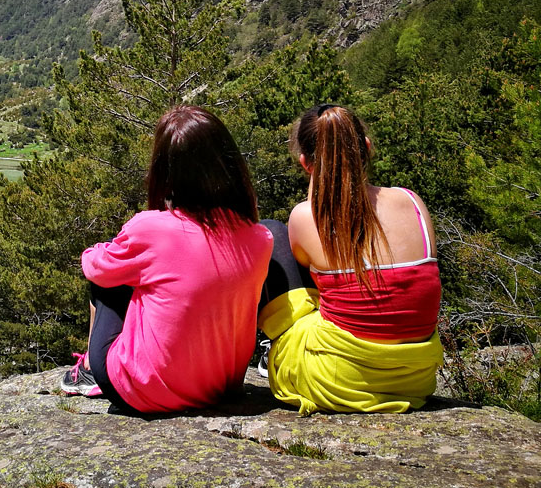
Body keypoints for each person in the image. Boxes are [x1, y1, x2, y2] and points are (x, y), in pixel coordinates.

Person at [60, 105, 274, 413]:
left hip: (143, 391)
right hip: (221, 388)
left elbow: (94, 267)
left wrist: (101, 249)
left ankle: (92, 369)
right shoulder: (259, 238)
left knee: (110, 273)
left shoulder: (150, 229)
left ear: (165, 170)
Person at [258, 104, 443, 414]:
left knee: (273, 232)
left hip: (338, 380)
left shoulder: (306, 217)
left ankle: (275, 354)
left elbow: (303, 266)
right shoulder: (412, 202)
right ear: (367, 148)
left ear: (306, 164)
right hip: (416, 381)